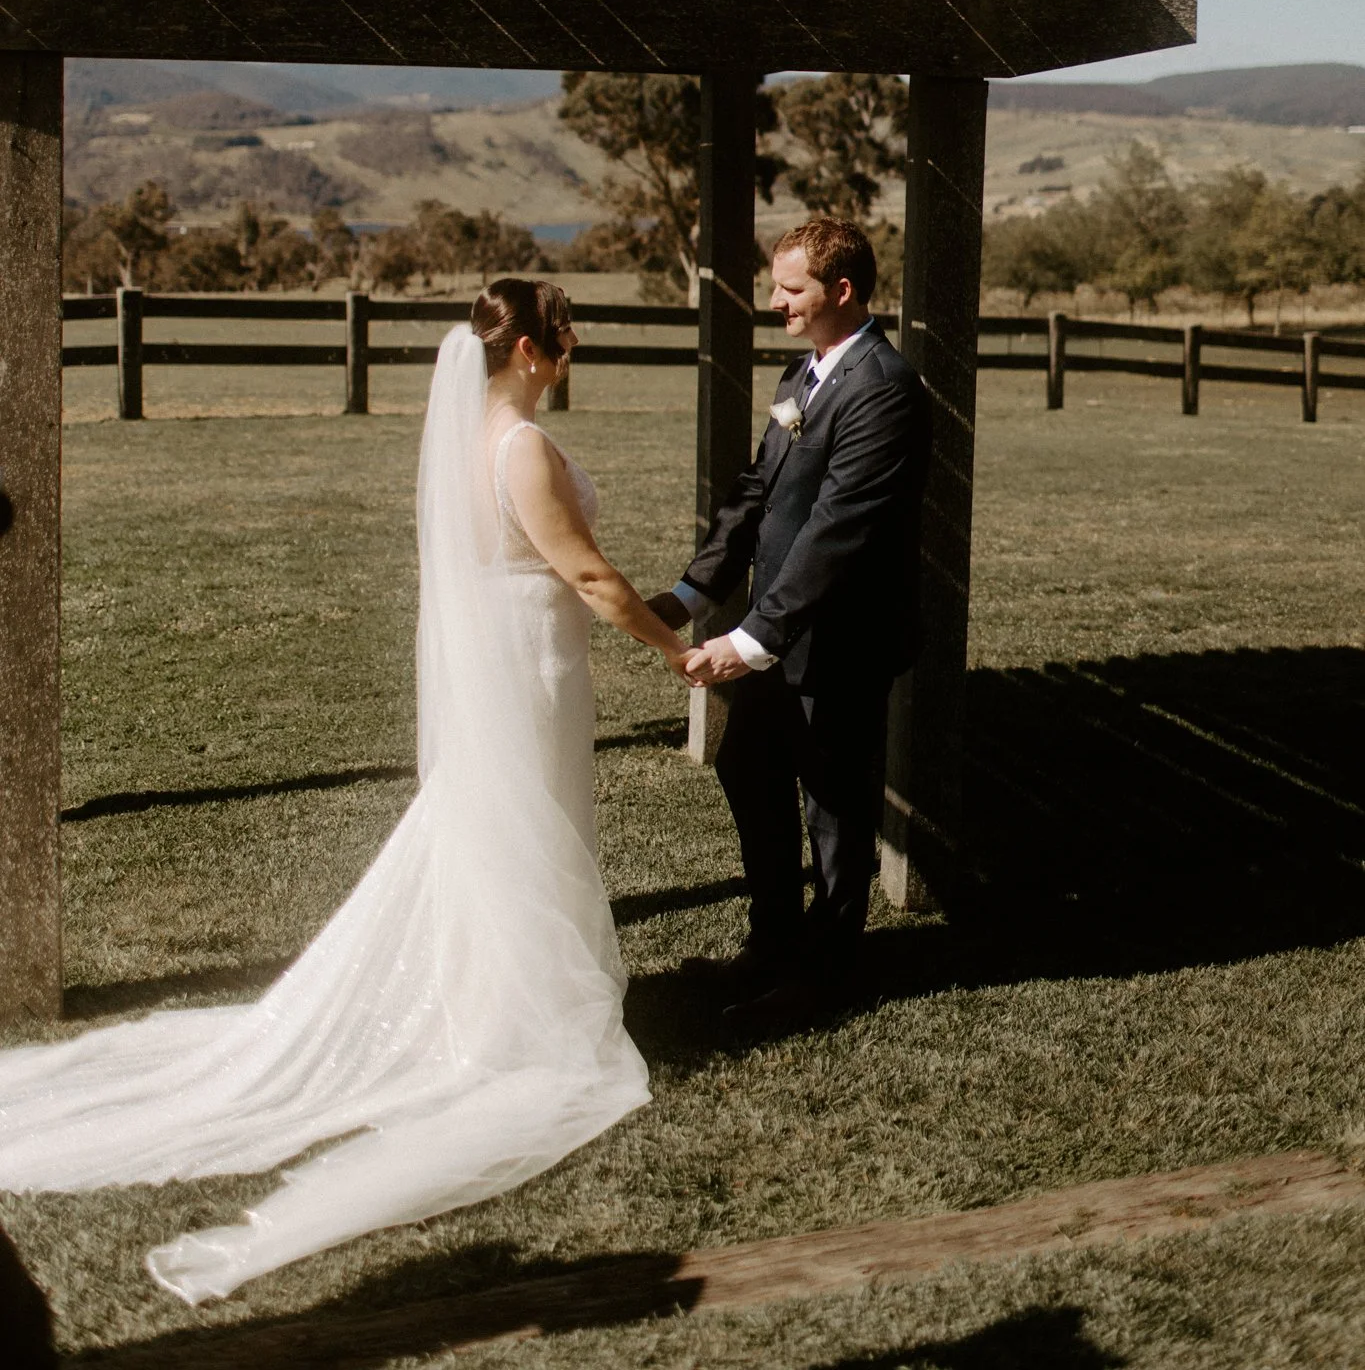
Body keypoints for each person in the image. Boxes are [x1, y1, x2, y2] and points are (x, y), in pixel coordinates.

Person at [0, 280, 690, 1303]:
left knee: (498, 823)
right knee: (524, 822)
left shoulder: (467, 439)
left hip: (500, 652)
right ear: (538, 350)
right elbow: (587, 576)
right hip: (528, 660)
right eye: (568, 336)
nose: (575, 349)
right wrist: (677, 648)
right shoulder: (522, 448)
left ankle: (490, 993)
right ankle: (519, 1013)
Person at [649, 218, 931, 1029]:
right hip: (780, 632)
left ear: (841, 290)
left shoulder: (881, 387)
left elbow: (838, 531)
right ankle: (774, 937)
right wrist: (691, 592)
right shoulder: (803, 374)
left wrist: (746, 642)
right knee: (748, 771)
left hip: (839, 639)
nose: (775, 303)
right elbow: (754, 493)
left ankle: (830, 970)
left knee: (835, 807)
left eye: (791, 289)